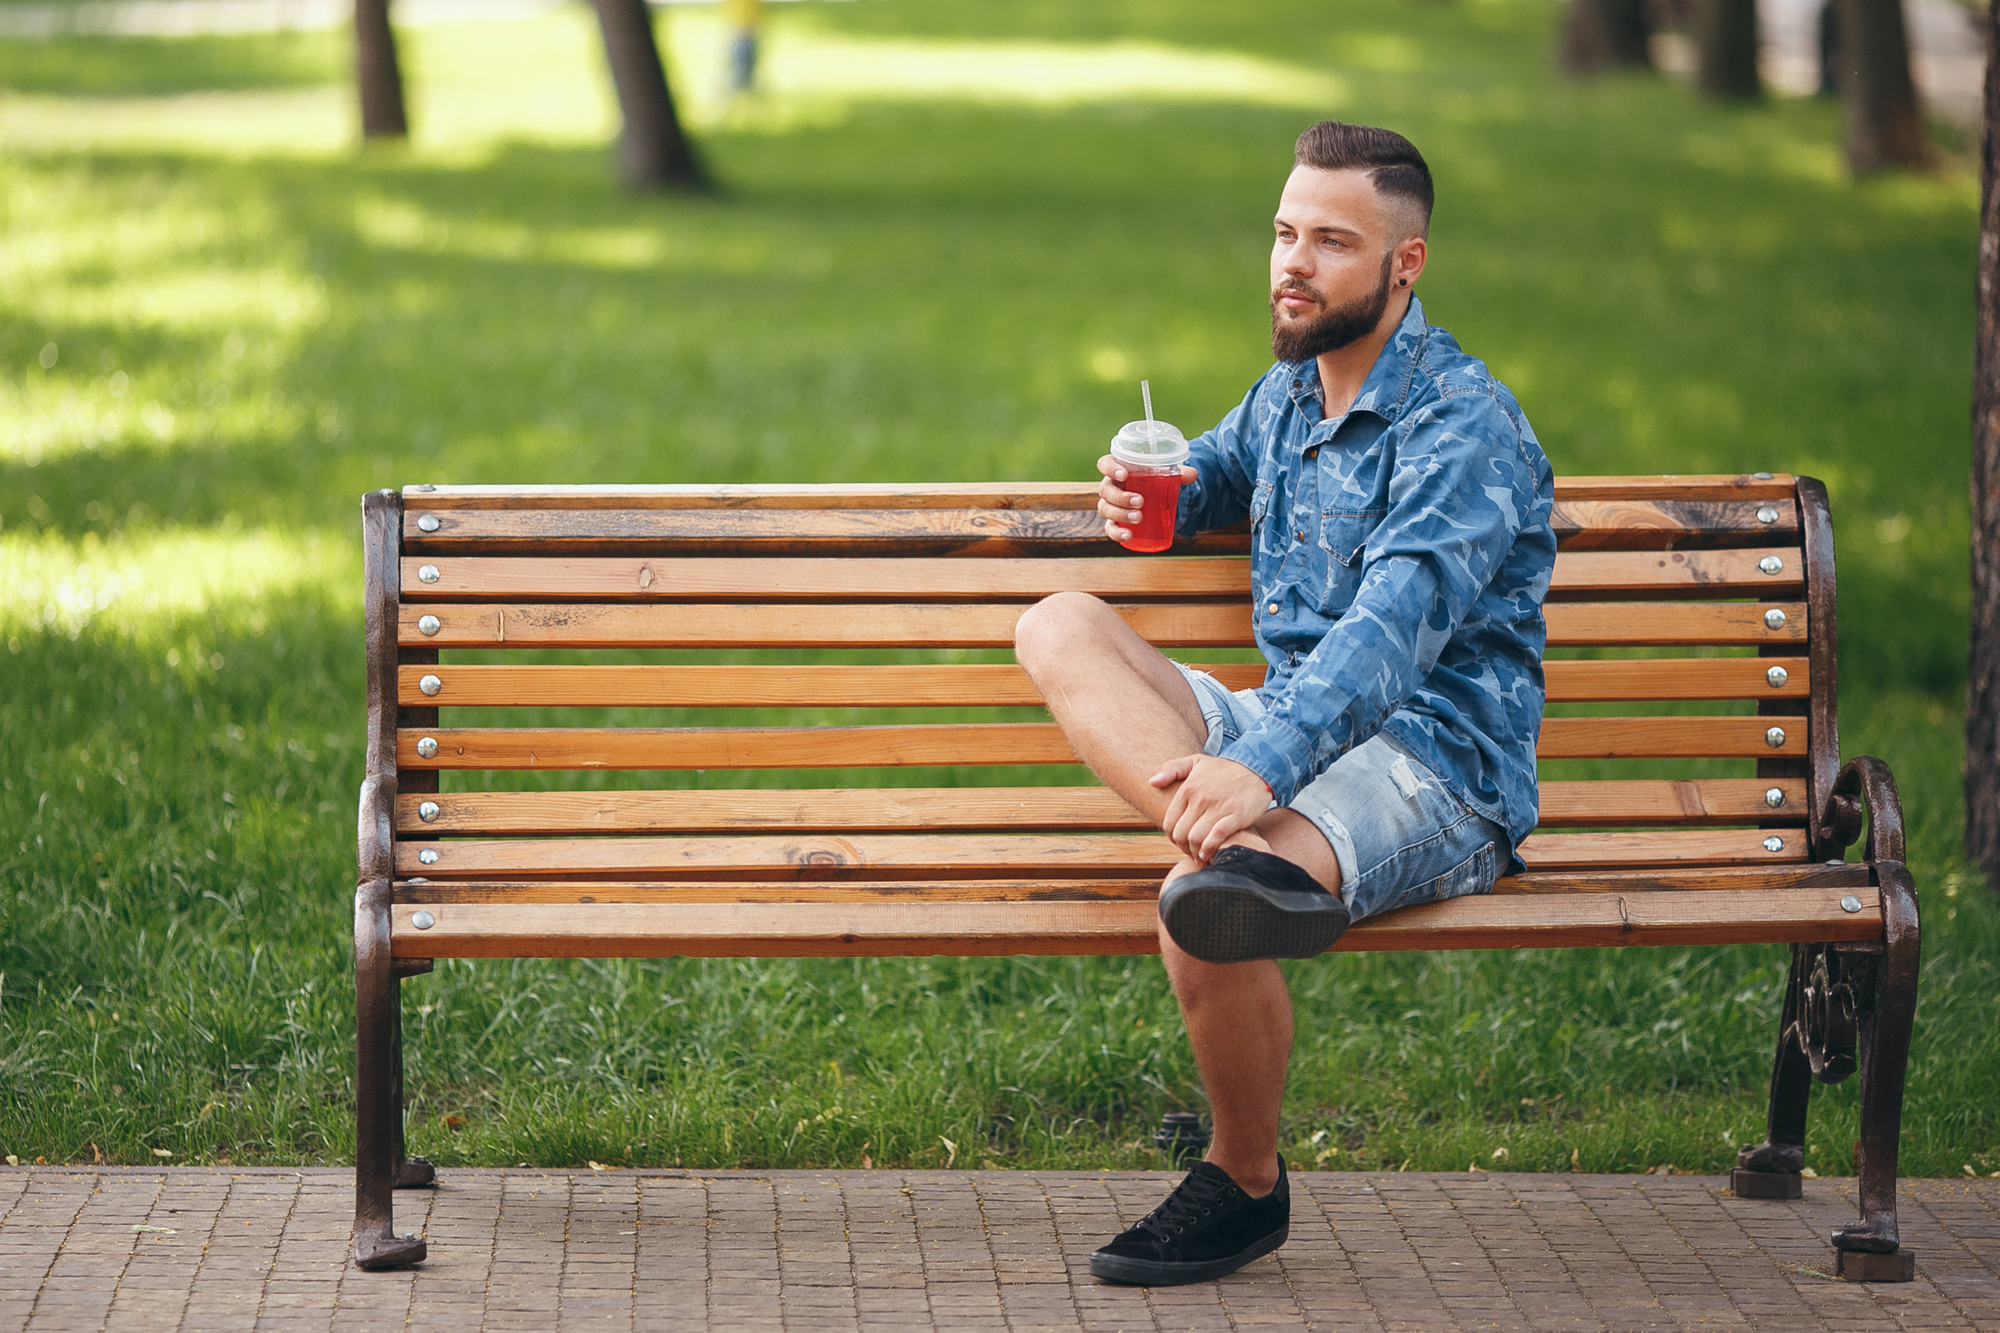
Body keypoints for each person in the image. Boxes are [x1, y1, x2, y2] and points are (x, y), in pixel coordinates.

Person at [1012, 120, 1556, 1287]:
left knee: (1194, 900)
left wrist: (1257, 771)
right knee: (1056, 622)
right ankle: (1235, 855)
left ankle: (1242, 1180)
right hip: (1284, 730)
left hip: (1430, 761)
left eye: (1328, 241)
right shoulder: (1287, 394)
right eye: (1280, 233)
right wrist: (1157, 482)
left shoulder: (1462, 424)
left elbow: (1390, 630)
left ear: (1401, 266)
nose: (1290, 264)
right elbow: (1215, 466)